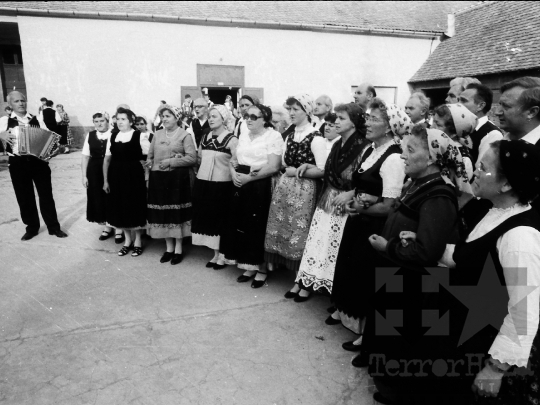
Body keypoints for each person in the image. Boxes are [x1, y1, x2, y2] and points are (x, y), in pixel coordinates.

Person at [367, 126, 469, 405]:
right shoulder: (419, 182)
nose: (403, 155)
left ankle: (395, 391)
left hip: (415, 283)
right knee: (390, 334)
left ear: (433, 158)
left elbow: (427, 251)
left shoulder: (438, 195)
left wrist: (387, 247)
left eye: (411, 150)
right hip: (400, 275)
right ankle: (388, 384)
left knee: (403, 338)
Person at [437, 140, 540, 404]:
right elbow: (471, 257)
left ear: (506, 185)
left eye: (483, 168)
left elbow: (524, 309)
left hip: (481, 343)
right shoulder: (495, 210)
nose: (475, 173)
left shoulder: (520, 237)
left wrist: (494, 369)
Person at [329, 100, 409, 353]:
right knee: (352, 270)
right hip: (360, 220)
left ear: (389, 126)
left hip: (376, 226)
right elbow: (363, 185)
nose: (367, 123)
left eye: (374, 119)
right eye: (367, 117)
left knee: (367, 277)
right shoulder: (370, 150)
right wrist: (355, 201)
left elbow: (389, 205)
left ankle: (367, 335)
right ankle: (351, 320)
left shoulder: (394, 157)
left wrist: (360, 207)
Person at [294, 103, 369, 301]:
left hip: (345, 203)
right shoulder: (337, 143)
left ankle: (332, 290)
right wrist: (311, 164)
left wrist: (351, 193)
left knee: (335, 248)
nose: (336, 121)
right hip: (328, 198)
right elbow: (328, 170)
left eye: (342, 118)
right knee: (320, 242)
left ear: (354, 123)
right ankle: (308, 282)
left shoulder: (364, 146)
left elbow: (365, 180)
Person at [264, 94, 326, 290]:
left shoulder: (316, 138)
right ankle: (291, 272)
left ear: (307, 111)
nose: (291, 113)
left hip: (305, 192)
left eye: (295, 109)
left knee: (300, 232)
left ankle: (301, 281)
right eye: (289, 109)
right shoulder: (290, 136)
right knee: (284, 228)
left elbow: (323, 170)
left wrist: (299, 171)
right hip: (286, 189)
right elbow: (283, 162)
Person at [219, 104, 283, 287]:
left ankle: (261, 269)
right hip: (240, 181)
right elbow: (234, 159)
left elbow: (274, 166)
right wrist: (233, 173)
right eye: (247, 116)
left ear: (265, 119)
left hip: (259, 183)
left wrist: (248, 178)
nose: (249, 119)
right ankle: (248, 265)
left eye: (254, 117)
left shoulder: (273, 136)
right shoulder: (244, 134)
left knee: (257, 225)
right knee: (241, 223)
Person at [0, 91, 67, 240]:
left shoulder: (37, 118)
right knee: (24, 197)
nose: (21, 103)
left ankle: (53, 227)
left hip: (38, 162)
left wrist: (55, 148)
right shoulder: (5, 120)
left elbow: (49, 136)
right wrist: (1, 135)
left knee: (46, 196)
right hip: (17, 163)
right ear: (10, 105)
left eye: (22, 100)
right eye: (16, 101)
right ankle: (32, 228)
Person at [145, 105, 196, 265]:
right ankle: (168, 248)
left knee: (177, 214)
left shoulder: (185, 135)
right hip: (158, 180)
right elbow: (150, 156)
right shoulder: (157, 134)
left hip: (177, 180)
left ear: (177, 118)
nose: (165, 119)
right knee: (164, 214)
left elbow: (192, 158)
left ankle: (179, 249)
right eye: (163, 116)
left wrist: (171, 161)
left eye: (168, 116)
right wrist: (148, 168)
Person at [192, 105, 238, 269]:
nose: (210, 119)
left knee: (220, 219)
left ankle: (223, 255)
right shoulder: (205, 137)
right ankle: (215, 253)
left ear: (223, 119)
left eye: (214, 116)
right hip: (204, 183)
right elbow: (199, 157)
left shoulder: (231, 139)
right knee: (209, 218)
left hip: (222, 185)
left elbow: (236, 162)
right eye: (209, 116)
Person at [103, 107, 150, 257]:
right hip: (116, 176)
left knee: (134, 206)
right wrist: (105, 180)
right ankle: (127, 241)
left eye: (123, 119)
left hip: (134, 176)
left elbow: (149, 157)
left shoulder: (139, 136)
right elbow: (107, 159)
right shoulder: (113, 136)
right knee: (120, 207)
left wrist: (146, 174)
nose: (120, 122)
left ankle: (137, 242)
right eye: (118, 119)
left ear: (131, 121)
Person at [81, 111, 122, 241]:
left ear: (107, 121)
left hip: (112, 168)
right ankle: (107, 227)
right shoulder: (91, 135)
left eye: (102, 121)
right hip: (94, 170)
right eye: (96, 122)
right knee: (99, 197)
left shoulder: (115, 133)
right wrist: (84, 176)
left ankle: (119, 228)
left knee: (114, 196)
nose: (99, 124)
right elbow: (85, 156)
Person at [458, 83, 503, 164]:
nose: (457, 105)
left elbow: (482, 170)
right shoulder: (460, 128)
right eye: (458, 100)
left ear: (480, 106)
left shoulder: (492, 134)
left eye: (463, 101)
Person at [432, 103, 477, 182]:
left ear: (453, 133)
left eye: (438, 125)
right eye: (433, 122)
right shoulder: (436, 148)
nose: (432, 127)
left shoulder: (463, 160)